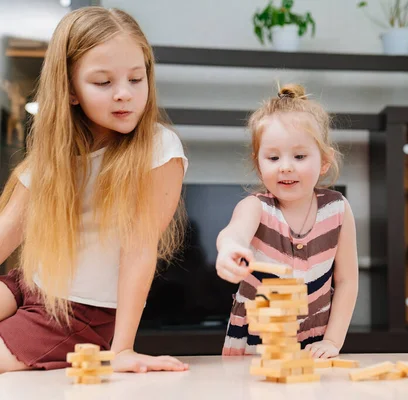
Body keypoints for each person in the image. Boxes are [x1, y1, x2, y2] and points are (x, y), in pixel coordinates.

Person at [0, 7, 189, 373]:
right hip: (31, 286)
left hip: (80, 313)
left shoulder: (158, 149)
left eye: (136, 79)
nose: (124, 94)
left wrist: (122, 350)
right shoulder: (54, 155)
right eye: (103, 83)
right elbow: (7, 229)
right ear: (70, 90)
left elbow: (139, 250)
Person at [217, 84, 359, 358]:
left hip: (313, 344)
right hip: (256, 345)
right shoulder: (255, 207)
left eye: (299, 156)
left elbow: (347, 281)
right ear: (259, 164)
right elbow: (233, 234)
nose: (285, 166)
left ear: (325, 160)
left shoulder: (338, 210)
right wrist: (229, 249)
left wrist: (332, 341)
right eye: (273, 157)